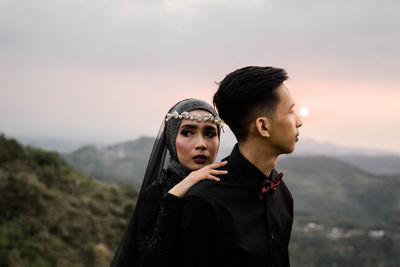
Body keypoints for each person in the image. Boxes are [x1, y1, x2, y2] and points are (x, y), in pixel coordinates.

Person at [178, 66, 303, 267]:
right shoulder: (205, 202)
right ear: (263, 126)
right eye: (290, 112)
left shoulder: (281, 192)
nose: (299, 122)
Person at [111, 99, 227, 267]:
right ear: (172, 137)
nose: (201, 144)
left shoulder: (226, 191)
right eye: (187, 132)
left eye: (209, 133)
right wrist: (175, 195)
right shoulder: (154, 197)